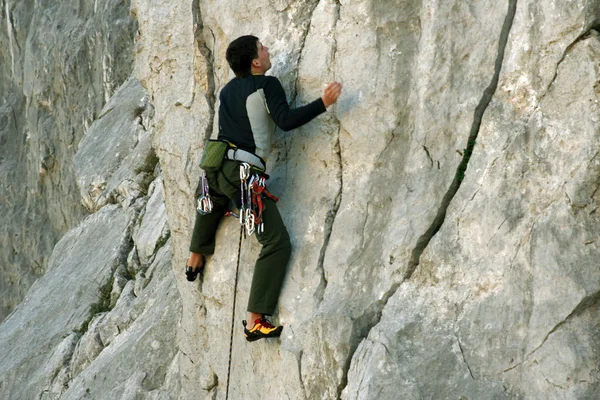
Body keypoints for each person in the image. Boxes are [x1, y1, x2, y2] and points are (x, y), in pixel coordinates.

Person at [186, 35, 342, 342]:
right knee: (276, 241)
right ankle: (256, 319)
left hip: (214, 166)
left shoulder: (228, 90)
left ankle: (195, 257)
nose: (268, 50)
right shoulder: (266, 85)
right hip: (242, 174)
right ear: (256, 62)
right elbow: (285, 121)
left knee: (215, 198)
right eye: (263, 48)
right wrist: (323, 103)